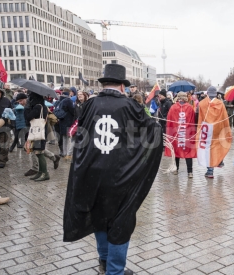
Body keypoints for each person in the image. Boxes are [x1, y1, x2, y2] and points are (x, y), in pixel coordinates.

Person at [63, 64, 163, 275]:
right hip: (120, 176)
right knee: (121, 220)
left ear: (104, 84)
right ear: (121, 86)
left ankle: (105, 261)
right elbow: (150, 131)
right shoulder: (130, 106)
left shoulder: (90, 105)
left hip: (92, 172)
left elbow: (80, 135)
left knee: (99, 216)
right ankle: (115, 271)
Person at [197, 86, 232, 178]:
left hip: (206, 129)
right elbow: (225, 117)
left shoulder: (202, 103)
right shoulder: (220, 104)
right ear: (216, 94)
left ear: (207, 93)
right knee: (217, 146)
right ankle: (219, 160)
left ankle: (210, 171)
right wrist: (226, 129)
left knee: (208, 149)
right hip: (218, 129)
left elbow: (199, 117)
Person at [165, 92, 196, 178]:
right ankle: (190, 172)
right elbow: (193, 121)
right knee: (188, 152)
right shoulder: (190, 107)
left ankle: (176, 169)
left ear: (178, 98)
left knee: (176, 150)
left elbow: (169, 121)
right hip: (187, 134)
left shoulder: (173, 107)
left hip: (176, 133)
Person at [24, 91, 50, 181]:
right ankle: (40, 172)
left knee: (40, 153)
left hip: (38, 132)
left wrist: (27, 108)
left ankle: (45, 173)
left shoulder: (38, 107)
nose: (29, 100)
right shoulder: (42, 106)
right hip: (38, 131)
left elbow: (28, 117)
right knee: (38, 152)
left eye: (30, 98)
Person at [55, 89, 75, 159]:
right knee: (69, 138)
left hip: (61, 121)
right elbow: (72, 110)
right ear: (68, 93)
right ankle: (68, 153)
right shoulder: (68, 100)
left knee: (63, 137)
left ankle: (63, 152)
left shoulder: (59, 100)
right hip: (68, 121)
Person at [0, 88, 12, 168]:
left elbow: (11, 112)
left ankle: (2, 160)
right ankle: (3, 157)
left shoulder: (6, 100)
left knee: (3, 144)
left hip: (4, 126)